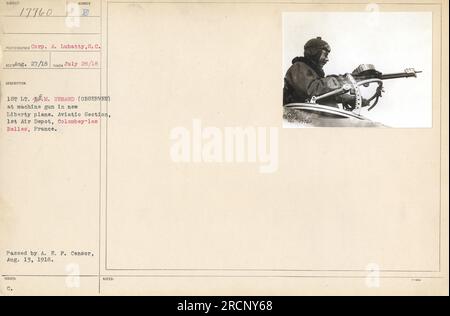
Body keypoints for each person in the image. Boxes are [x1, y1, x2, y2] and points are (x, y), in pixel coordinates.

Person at [283, 37, 357, 108]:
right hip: (296, 116)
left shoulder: (314, 75)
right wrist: (343, 80)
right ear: (314, 53)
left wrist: (351, 99)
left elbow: (325, 94)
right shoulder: (298, 67)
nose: (327, 59)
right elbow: (312, 90)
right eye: (325, 55)